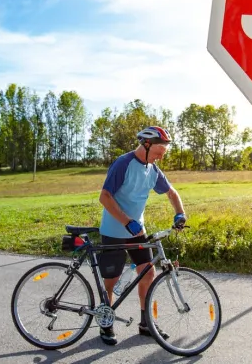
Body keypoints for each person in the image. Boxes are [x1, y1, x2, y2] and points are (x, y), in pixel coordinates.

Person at [96, 125, 187, 346]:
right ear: (145, 145)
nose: (159, 158)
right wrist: (127, 221)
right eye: (157, 153)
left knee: (147, 273)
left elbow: (172, 193)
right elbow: (105, 197)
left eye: (162, 154)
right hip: (114, 230)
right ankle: (106, 323)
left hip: (138, 231)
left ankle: (146, 323)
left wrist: (180, 213)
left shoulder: (153, 170)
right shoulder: (123, 164)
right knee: (111, 282)